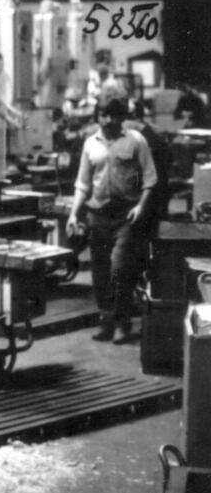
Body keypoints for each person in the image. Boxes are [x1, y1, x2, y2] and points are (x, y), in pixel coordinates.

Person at [66, 94, 158, 343]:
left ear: (122, 117)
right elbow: (82, 184)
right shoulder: (90, 144)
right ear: (97, 116)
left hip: (126, 216)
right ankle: (105, 321)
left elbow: (150, 179)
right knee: (100, 271)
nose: (107, 120)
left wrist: (140, 206)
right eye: (103, 115)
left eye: (113, 115)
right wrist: (74, 213)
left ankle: (122, 323)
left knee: (119, 268)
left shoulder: (135, 140)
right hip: (97, 216)